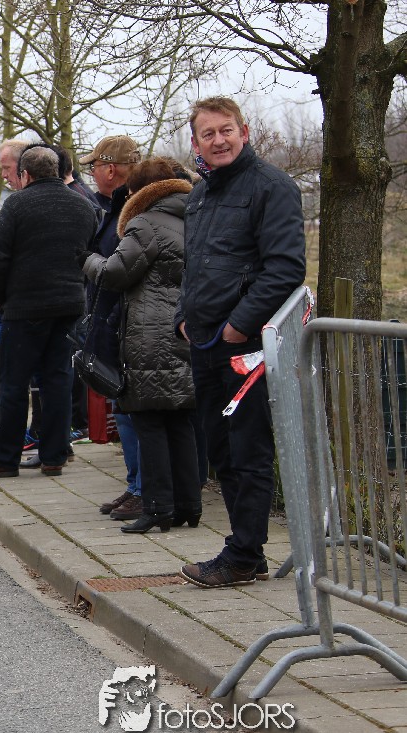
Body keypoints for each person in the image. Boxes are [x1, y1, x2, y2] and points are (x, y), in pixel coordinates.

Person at [176, 96, 305, 588]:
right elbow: (194, 267)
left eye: (226, 130)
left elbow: (285, 269)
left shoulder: (272, 186)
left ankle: (243, 555)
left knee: (248, 449)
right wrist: (183, 317)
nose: (219, 140)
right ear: (196, 143)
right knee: (221, 449)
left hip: (246, 346)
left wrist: (238, 326)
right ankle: (248, 550)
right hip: (206, 345)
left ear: (244, 132)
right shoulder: (200, 196)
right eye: (208, 134)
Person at [83, 158, 200, 535]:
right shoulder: (191, 218)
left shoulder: (146, 223)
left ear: (140, 191)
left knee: (148, 420)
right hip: (182, 328)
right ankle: (189, 505)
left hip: (149, 333)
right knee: (179, 420)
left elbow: (114, 273)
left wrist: (87, 260)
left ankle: (157, 507)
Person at [0, 146, 97, 480]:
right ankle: (54, 455)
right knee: (58, 380)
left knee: (13, 384)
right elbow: (90, 254)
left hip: (25, 307)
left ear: (25, 174)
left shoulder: (17, 205)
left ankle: (4, 457)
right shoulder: (83, 206)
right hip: (69, 305)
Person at [79, 135, 143, 516]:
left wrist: (86, 260)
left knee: (133, 409)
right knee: (123, 408)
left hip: (127, 323)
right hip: (113, 320)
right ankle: (135, 483)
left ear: (111, 169)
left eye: (95, 166)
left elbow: (118, 265)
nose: (91, 173)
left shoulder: (133, 209)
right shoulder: (117, 205)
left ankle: (143, 488)